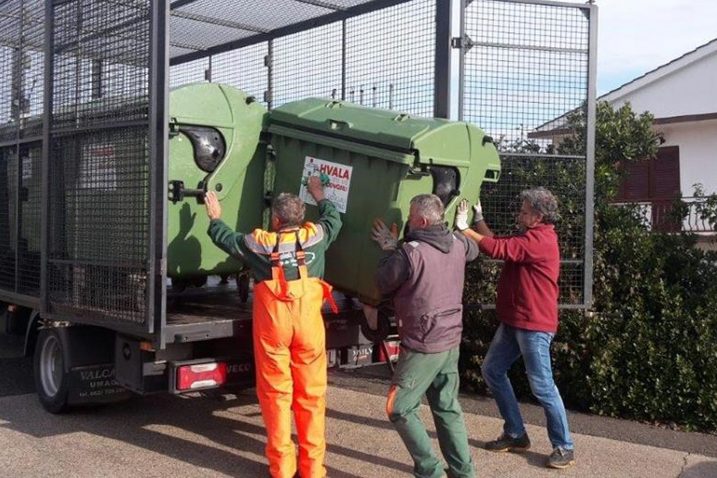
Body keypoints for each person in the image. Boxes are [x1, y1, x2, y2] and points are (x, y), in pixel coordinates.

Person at [204, 176, 341, 478]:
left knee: (276, 397)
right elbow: (333, 218)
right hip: (309, 326)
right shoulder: (317, 236)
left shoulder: (260, 244)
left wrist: (215, 219)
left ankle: (281, 470)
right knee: (312, 397)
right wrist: (320, 194)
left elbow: (227, 239)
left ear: (275, 220)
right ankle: (313, 471)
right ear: (300, 218)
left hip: (274, 328)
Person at [454, 188, 575, 469]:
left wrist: (464, 230)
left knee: (543, 386)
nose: (519, 214)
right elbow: (499, 243)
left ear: (538, 216)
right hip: (515, 321)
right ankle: (516, 433)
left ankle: (564, 446)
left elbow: (498, 249)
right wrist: (478, 219)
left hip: (533, 325)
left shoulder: (541, 240)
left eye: (523, 211)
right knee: (492, 370)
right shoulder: (529, 236)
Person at [371, 194, 479, 478]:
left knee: (400, 408)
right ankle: (464, 472)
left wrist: (389, 249)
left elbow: (383, 281)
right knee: (447, 408)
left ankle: (431, 472)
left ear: (420, 220)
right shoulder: (458, 243)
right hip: (450, 339)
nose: (407, 218)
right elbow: (474, 251)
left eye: (410, 215)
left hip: (423, 344)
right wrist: (463, 225)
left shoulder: (409, 254)